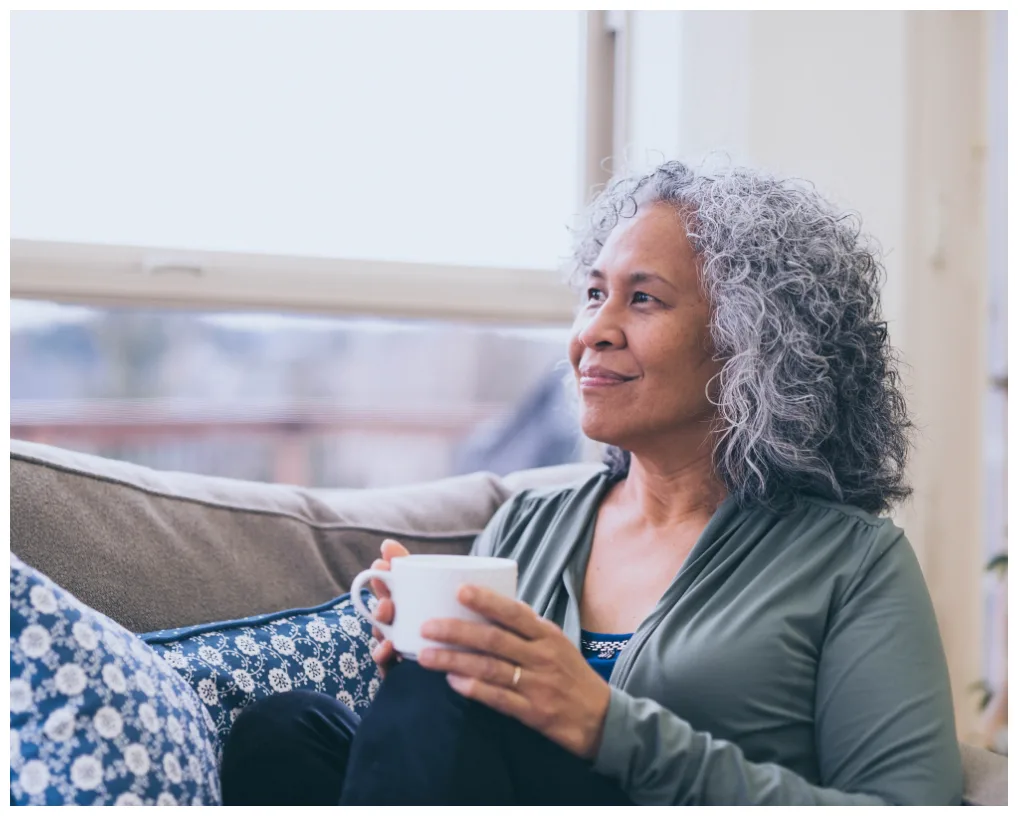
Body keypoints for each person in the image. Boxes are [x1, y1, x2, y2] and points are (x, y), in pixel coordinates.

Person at [220, 161, 963, 805]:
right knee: (285, 733)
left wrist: (612, 728)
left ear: (753, 345)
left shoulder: (852, 564)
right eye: (593, 293)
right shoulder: (527, 524)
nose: (594, 331)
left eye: (643, 299)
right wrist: (422, 667)